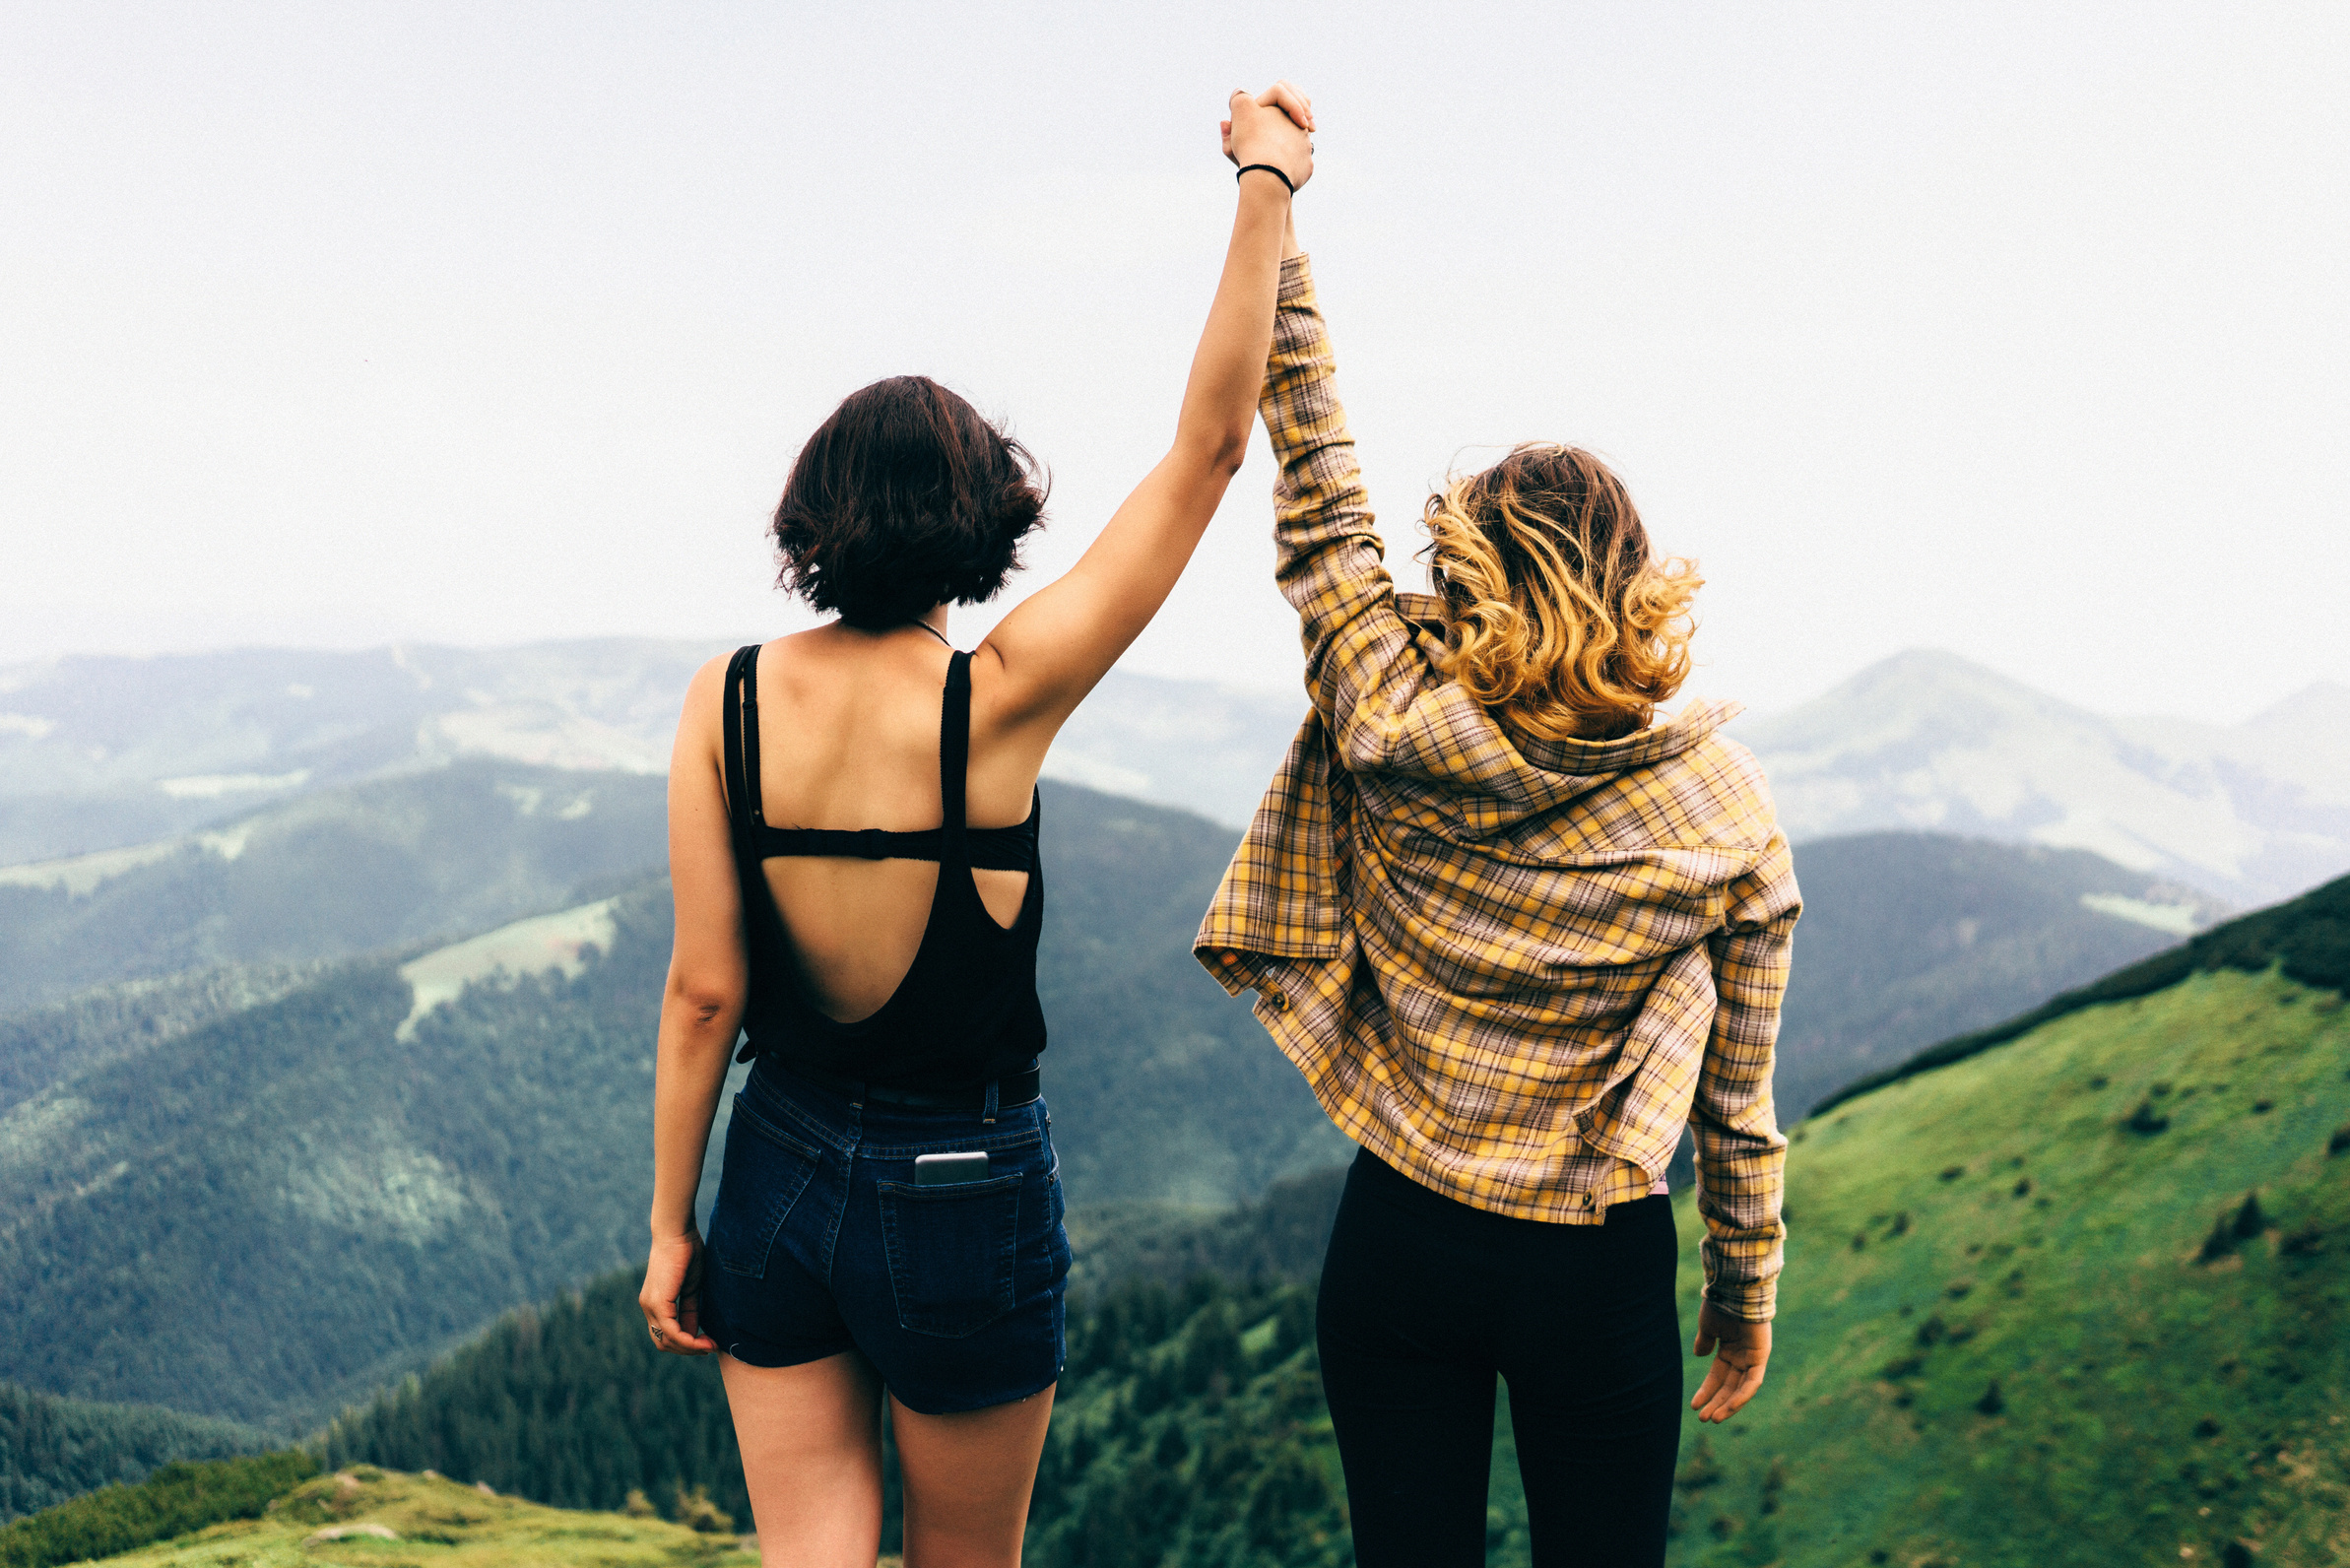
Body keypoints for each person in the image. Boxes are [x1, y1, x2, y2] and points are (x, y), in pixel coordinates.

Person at [637, 85, 1315, 1568]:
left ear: (809, 518)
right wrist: (1266, 182)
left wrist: (670, 1228)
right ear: (982, 516)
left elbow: (704, 997)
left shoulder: (726, 703)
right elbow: (1204, 455)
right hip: (963, 1190)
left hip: (777, 1165)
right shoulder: (996, 703)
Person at [1196, 237, 1798, 1565]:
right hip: (1597, 1260)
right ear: (1632, 578)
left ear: (1467, 566)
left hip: (1400, 1235)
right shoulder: (1723, 814)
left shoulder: (1390, 711)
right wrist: (1743, 1287)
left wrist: (1275, 217)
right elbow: (1735, 1101)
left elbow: (1316, 484)